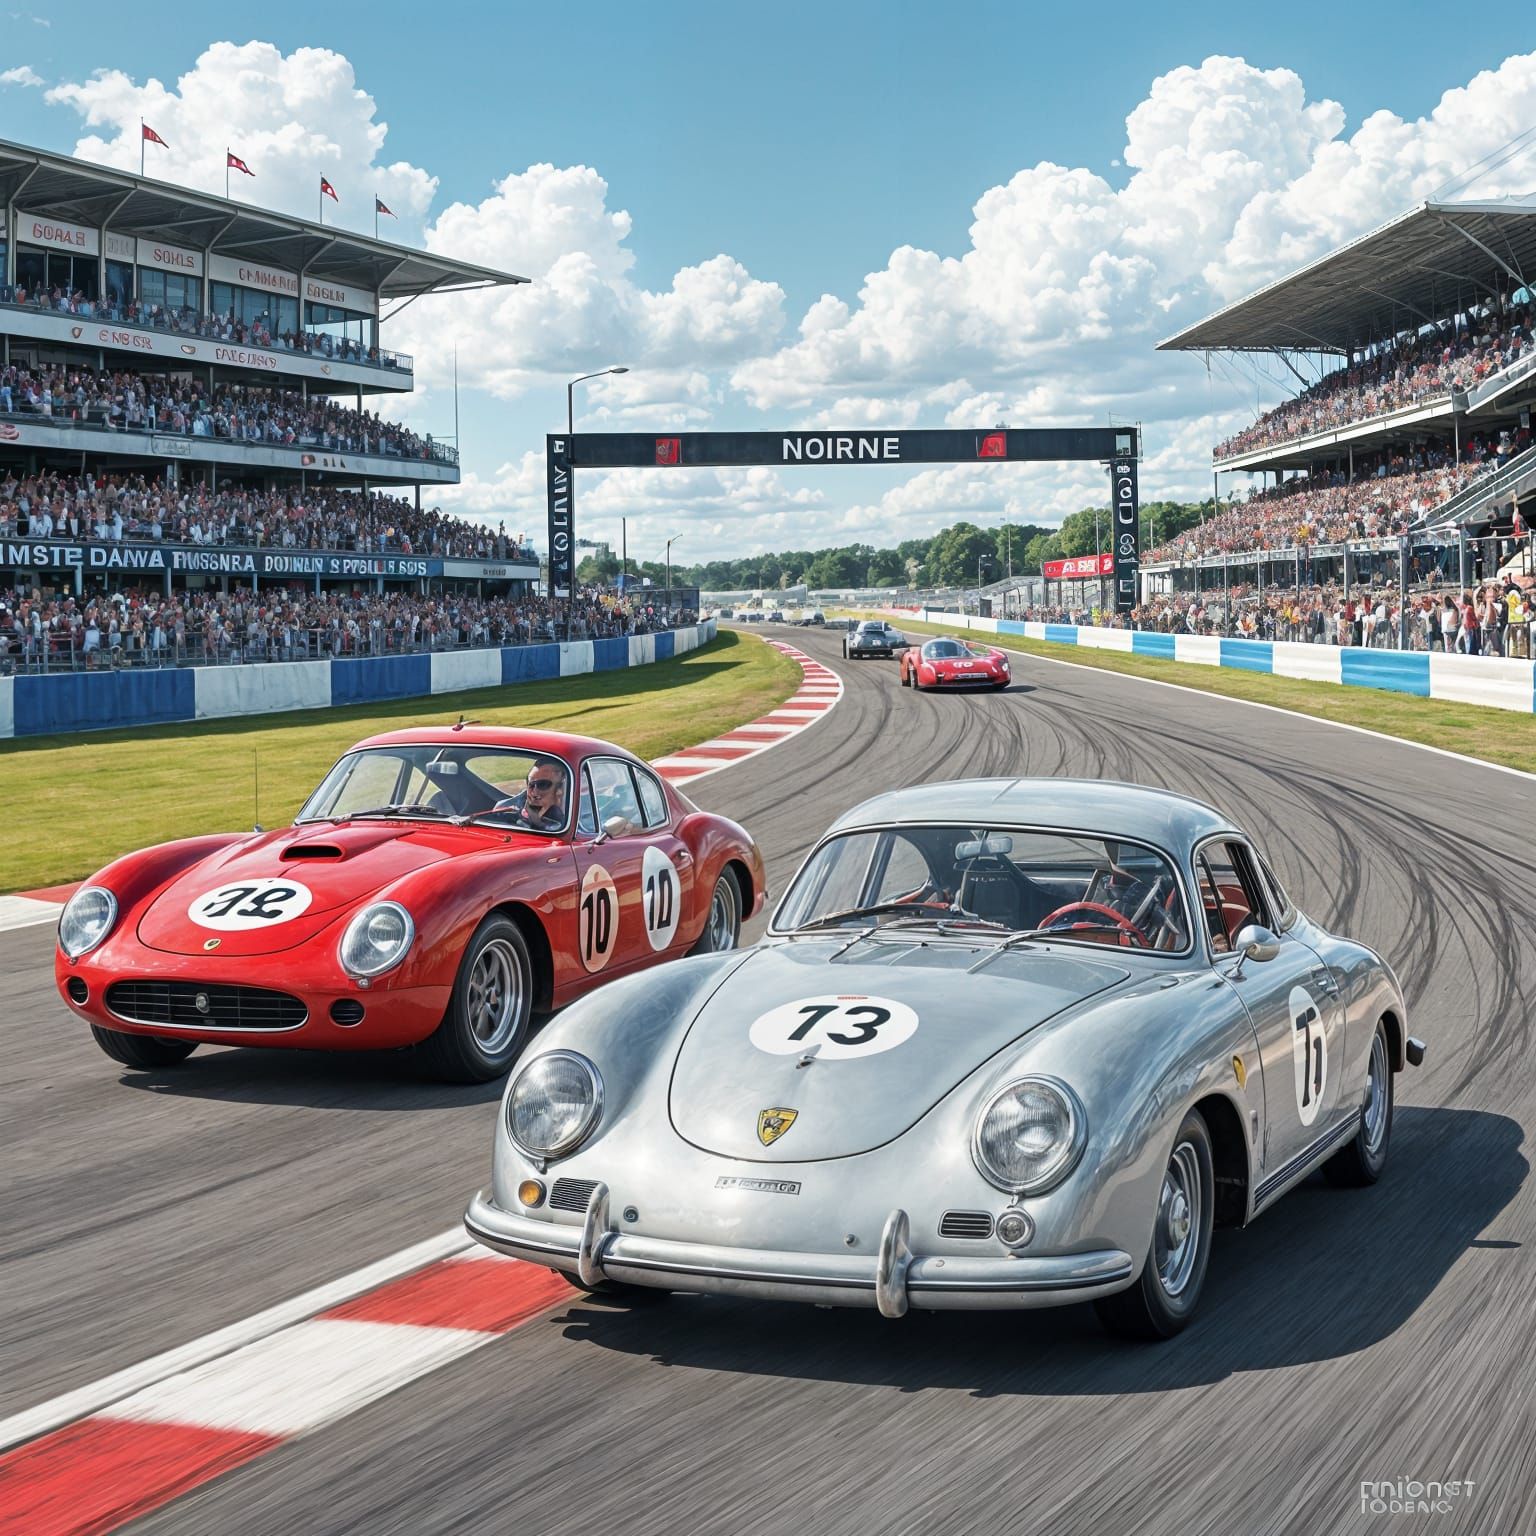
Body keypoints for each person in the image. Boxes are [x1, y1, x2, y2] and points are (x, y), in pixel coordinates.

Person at [494, 758, 568, 831]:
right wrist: (536, 823)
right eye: (531, 785)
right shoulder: (503, 811)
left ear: (561, 789)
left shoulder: (578, 814)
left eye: (543, 785)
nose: (534, 793)